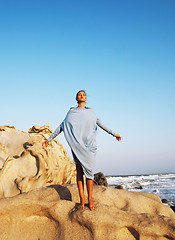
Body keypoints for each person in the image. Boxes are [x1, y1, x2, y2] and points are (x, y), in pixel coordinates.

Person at [42, 90, 121, 211]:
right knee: (79, 172)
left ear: (85, 98)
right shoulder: (71, 112)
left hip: (89, 146)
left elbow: (101, 124)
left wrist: (114, 134)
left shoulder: (91, 112)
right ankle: (82, 201)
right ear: (76, 98)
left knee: (89, 174)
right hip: (77, 145)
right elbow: (62, 126)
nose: (82, 96)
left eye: (84, 94)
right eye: (80, 94)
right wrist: (49, 139)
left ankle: (90, 200)